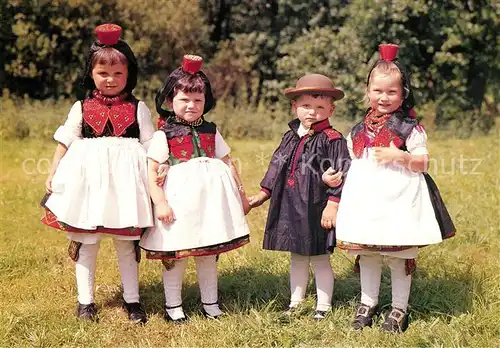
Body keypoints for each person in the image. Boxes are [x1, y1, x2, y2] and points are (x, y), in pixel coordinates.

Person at [323, 43, 455, 332]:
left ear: (403, 93)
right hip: (366, 200)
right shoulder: (358, 129)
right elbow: (348, 160)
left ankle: (398, 309)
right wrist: (335, 176)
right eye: (378, 91)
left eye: (391, 92)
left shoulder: (410, 128)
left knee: (397, 255)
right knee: (368, 251)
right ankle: (367, 302)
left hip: (398, 199)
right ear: (368, 91)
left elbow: (423, 162)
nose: (384, 97)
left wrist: (402, 156)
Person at [41, 24, 154, 324]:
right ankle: (85, 302)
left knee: (126, 244)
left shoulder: (138, 108)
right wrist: (53, 172)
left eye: (118, 73)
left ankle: (132, 301)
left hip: (127, 187)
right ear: (90, 72)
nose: (110, 79)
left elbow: (151, 146)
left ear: (129, 73)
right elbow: (65, 142)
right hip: (88, 186)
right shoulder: (81, 107)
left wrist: (160, 173)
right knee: (87, 242)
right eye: (103, 73)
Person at [139, 55, 250, 323]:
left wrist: (241, 194)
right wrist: (161, 203)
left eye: (198, 100)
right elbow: (151, 170)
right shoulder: (165, 134)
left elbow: (226, 161)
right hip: (180, 202)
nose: (191, 105)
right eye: (184, 100)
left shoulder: (211, 130)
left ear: (206, 102)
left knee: (208, 252)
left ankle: (210, 304)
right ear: (170, 101)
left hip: (210, 203)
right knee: (177, 254)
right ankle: (173, 306)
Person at [248, 74, 351, 321]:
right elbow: (277, 164)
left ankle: (323, 306)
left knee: (319, 257)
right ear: (294, 106)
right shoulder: (291, 135)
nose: (312, 112)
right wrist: (264, 192)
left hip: (317, 206)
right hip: (291, 204)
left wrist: (333, 204)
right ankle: (296, 302)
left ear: (331, 109)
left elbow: (341, 171)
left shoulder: (332, 139)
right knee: (297, 255)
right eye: (306, 106)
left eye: (319, 107)